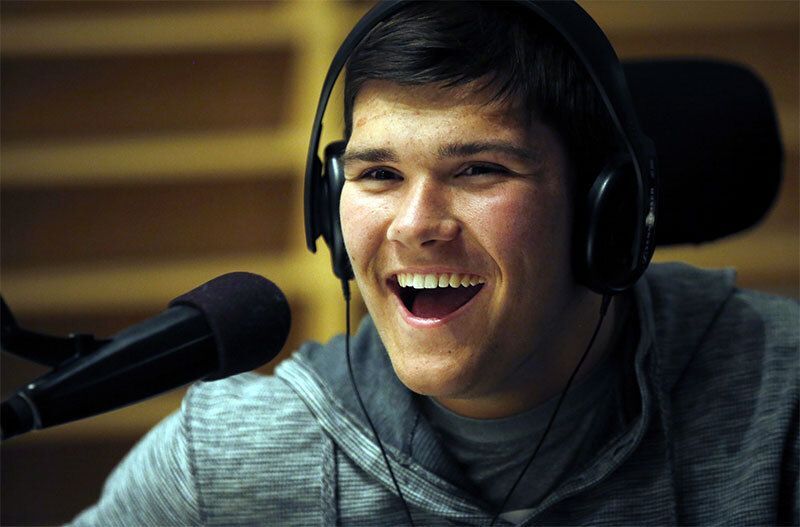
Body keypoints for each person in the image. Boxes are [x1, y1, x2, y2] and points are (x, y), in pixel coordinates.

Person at [71, 1, 798, 525]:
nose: (417, 225)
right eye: (379, 174)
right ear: (330, 203)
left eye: (480, 169)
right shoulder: (226, 465)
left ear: (603, 209)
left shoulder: (782, 403)